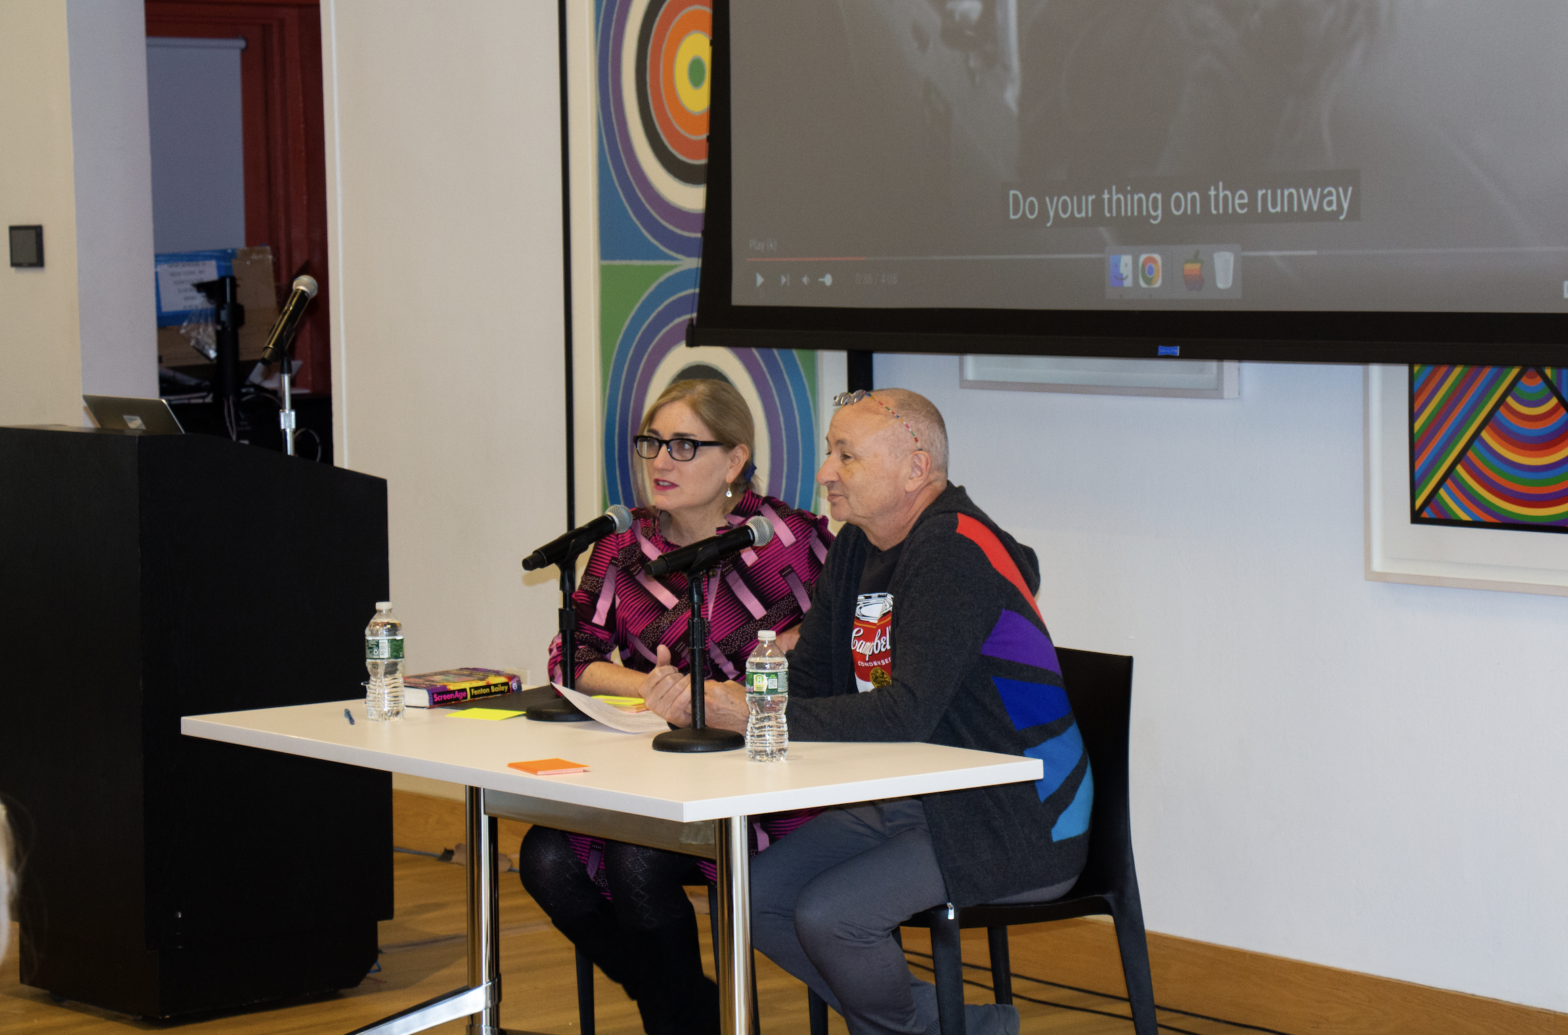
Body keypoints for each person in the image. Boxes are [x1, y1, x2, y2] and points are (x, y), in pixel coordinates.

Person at [641, 388, 1092, 1035]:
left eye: (846, 456)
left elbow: (905, 712)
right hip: (919, 794)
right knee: (753, 897)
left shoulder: (953, 550)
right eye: (828, 451)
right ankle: (963, 1027)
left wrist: (752, 712)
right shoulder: (857, 545)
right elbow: (818, 674)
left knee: (832, 915)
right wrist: (714, 697)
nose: (825, 471)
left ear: (916, 468)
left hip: (1018, 809)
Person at [517, 378, 832, 1035]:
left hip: (768, 781)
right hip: (654, 775)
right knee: (545, 857)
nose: (660, 460)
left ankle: (682, 1019)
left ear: (735, 458)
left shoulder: (786, 542)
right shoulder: (623, 551)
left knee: (637, 860)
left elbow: (838, 653)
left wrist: (765, 677)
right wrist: (646, 688)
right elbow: (570, 657)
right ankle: (691, 1013)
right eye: (652, 443)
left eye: (685, 445)